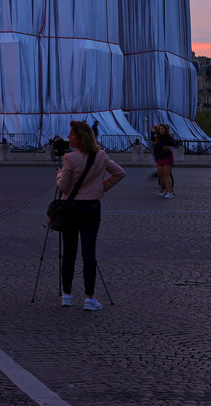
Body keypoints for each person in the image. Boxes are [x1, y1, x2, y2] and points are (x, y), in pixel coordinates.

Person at [56, 119, 125, 311]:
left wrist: (58, 175)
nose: (68, 137)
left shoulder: (70, 158)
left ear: (80, 138)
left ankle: (67, 295)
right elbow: (120, 173)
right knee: (89, 253)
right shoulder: (101, 156)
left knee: (69, 252)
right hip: (91, 207)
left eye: (71, 134)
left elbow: (63, 186)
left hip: (71, 208)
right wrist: (99, 188)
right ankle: (89, 297)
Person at [152, 124, 177, 198]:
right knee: (160, 175)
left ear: (165, 129)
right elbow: (155, 145)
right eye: (160, 129)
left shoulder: (168, 137)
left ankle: (170, 192)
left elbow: (175, 145)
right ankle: (165, 189)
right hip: (160, 157)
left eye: (162, 129)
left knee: (167, 174)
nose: (161, 130)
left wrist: (168, 147)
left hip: (167, 157)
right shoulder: (158, 138)